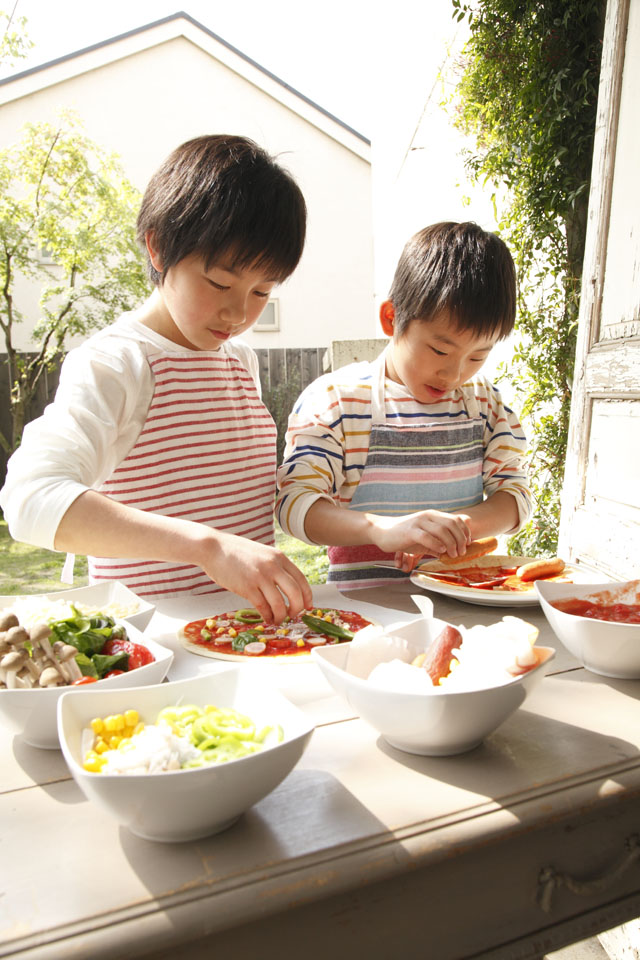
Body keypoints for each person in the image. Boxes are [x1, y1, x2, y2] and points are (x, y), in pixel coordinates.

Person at [0, 134, 312, 622]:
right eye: (220, 283)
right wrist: (207, 548)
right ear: (159, 247)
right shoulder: (116, 363)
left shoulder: (241, 362)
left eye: (261, 292)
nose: (238, 311)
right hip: (154, 653)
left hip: (252, 638)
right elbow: (30, 499)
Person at [276, 221, 532, 589]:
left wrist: (454, 529)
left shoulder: (485, 404)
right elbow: (293, 505)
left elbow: (516, 497)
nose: (453, 374)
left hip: (464, 608)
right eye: (439, 350)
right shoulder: (337, 401)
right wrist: (381, 530)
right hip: (363, 614)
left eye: (477, 356)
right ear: (391, 318)